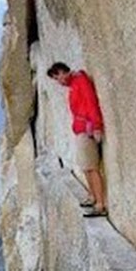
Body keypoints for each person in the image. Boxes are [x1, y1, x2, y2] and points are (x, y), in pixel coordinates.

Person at [47, 62, 107, 218]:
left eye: (58, 76)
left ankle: (100, 205)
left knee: (91, 167)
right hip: (81, 129)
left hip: (87, 129)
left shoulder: (80, 81)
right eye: (55, 79)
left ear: (63, 71)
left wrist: (97, 126)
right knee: (85, 166)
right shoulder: (74, 83)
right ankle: (92, 197)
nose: (59, 81)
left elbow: (91, 102)